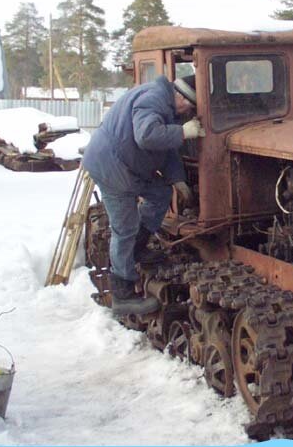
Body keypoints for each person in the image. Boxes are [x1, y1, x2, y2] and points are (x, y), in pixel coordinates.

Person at [82, 74, 205, 317]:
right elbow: (147, 135)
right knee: (124, 229)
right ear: (179, 96)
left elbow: (166, 149)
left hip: (128, 166)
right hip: (111, 167)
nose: (188, 111)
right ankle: (123, 294)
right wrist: (182, 132)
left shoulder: (166, 104)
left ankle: (137, 248)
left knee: (160, 193)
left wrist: (177, 179)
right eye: (189, 106)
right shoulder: (154, 99)